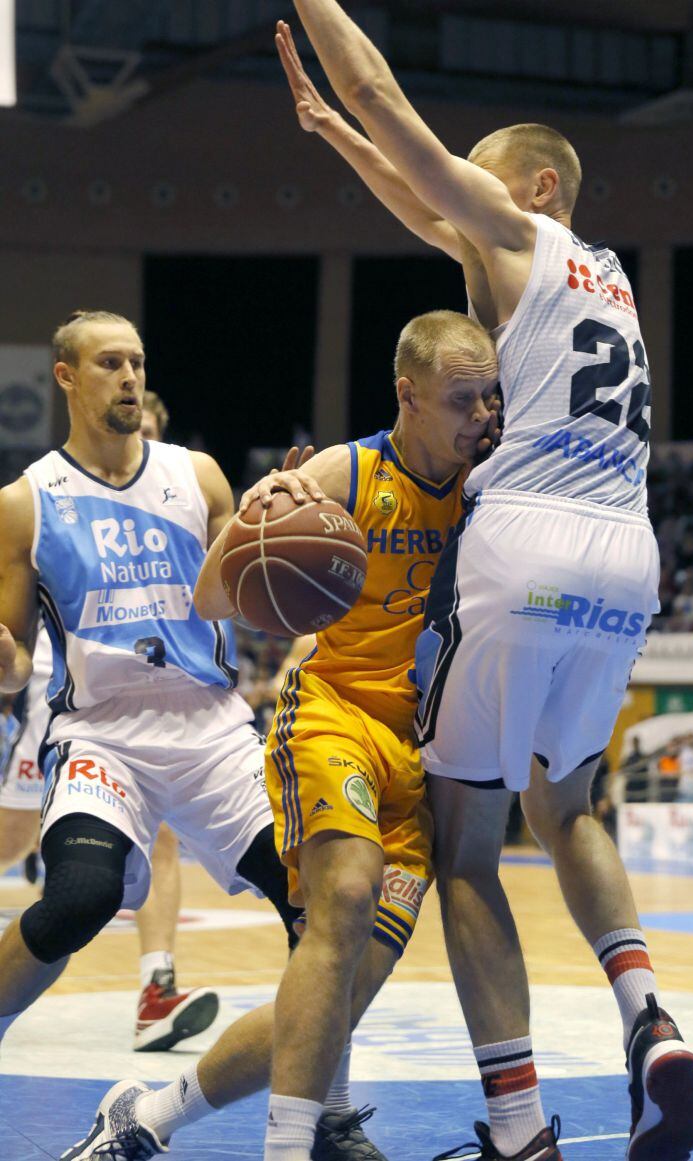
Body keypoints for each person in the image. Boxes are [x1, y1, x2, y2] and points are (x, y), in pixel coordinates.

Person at [277, 7, 693, 1159]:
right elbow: (421, 203)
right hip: (627, 556)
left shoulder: (521, 232)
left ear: (535, 189)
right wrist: (333, 137)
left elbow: (395, 115)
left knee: (468, 851)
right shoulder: (598, 281)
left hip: (527, 545)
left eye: (481, 178)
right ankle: (646, 1017)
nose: (457, 193)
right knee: (568, 811)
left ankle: (516, 1128)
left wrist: (331, 51)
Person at [58, 309, 499, 1161]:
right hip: (333, 710)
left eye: (490, 396)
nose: (481, 415)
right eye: (462, 399)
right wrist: (262, 522)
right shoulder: (349, 468)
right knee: (339, 896)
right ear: (408, 396)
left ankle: (148, 1118)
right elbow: (212, 598)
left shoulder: (494, 482)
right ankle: (290, 1147)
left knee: (335, 1001)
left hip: (426, 751)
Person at [0, 310, 304, 1082]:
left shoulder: (196, 476)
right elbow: (12, 671)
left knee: (317, 899)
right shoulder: (24, 504)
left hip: (210, 727)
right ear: (66, 375)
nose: (130, 376)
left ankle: (320, 1102)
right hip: (102, 734)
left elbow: (247, 597)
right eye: (109, 363)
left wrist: (285, 529)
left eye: (136, 361)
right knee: (78, 900)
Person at [0, 390, 221, 1053]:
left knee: (160, 841)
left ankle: (158, 991)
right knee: (12, 838)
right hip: (65, 697)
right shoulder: (52, 496)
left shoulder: (177, 494)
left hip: (153, 709)